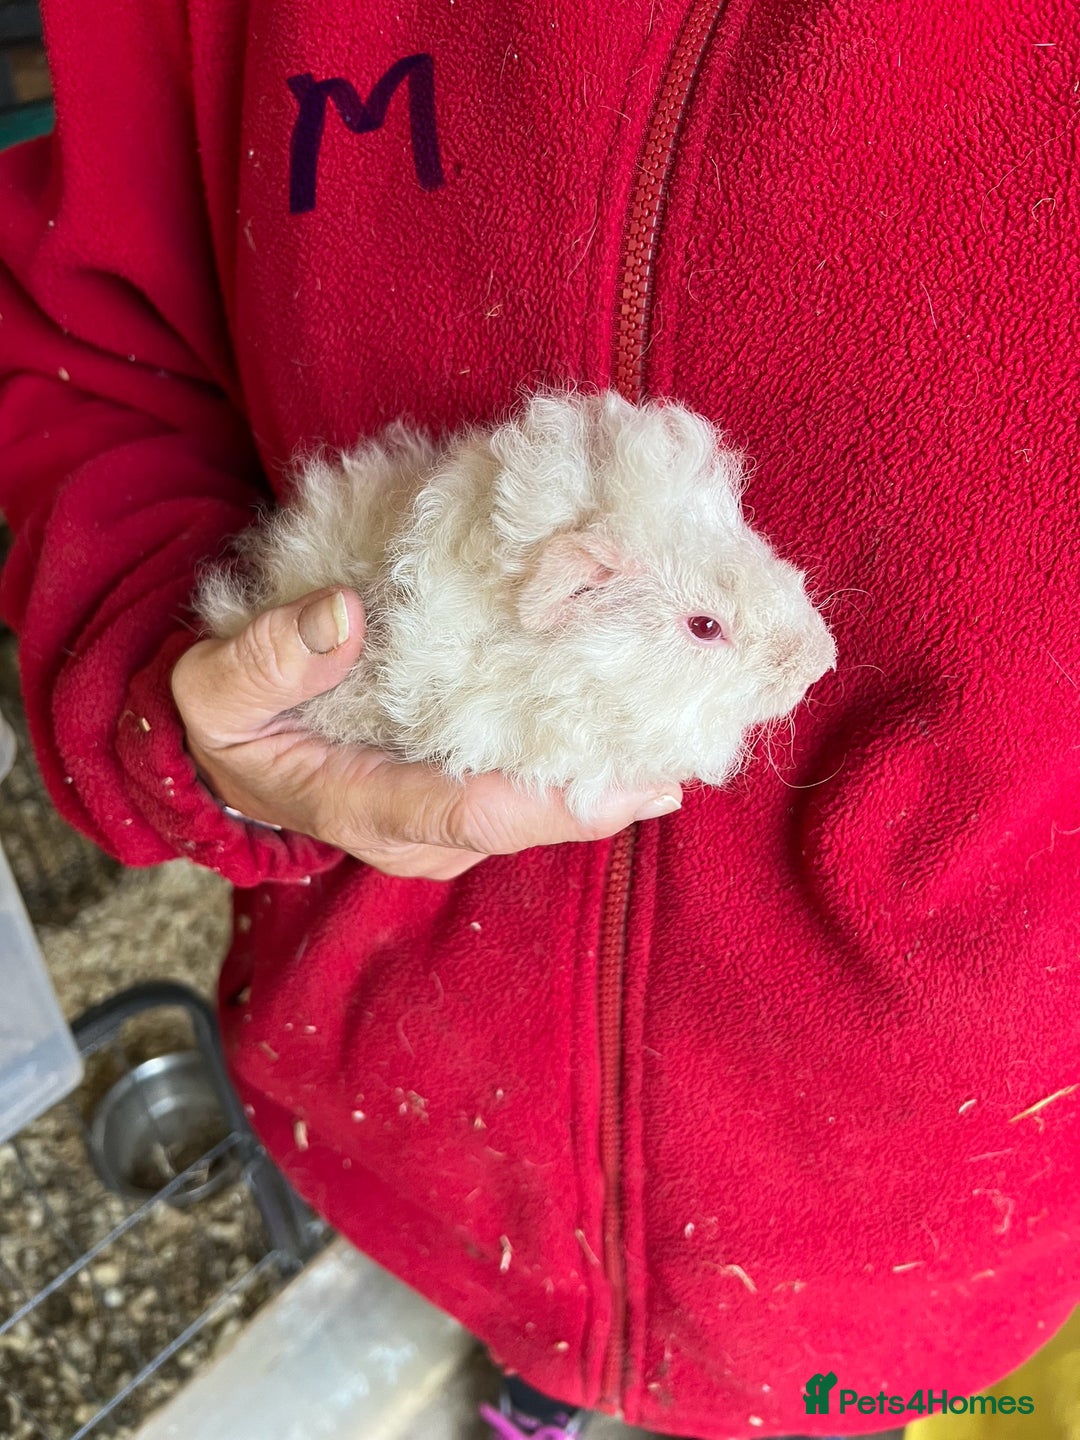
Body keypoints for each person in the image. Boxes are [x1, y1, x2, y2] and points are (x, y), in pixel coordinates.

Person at [1, 1, 1078, 1437]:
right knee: (512, 1333)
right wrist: (176, 693)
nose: (805, 644)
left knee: (846, 1403)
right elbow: (85, 347)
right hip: (426, 1136)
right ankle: (536, 1387)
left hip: (926, 1222)